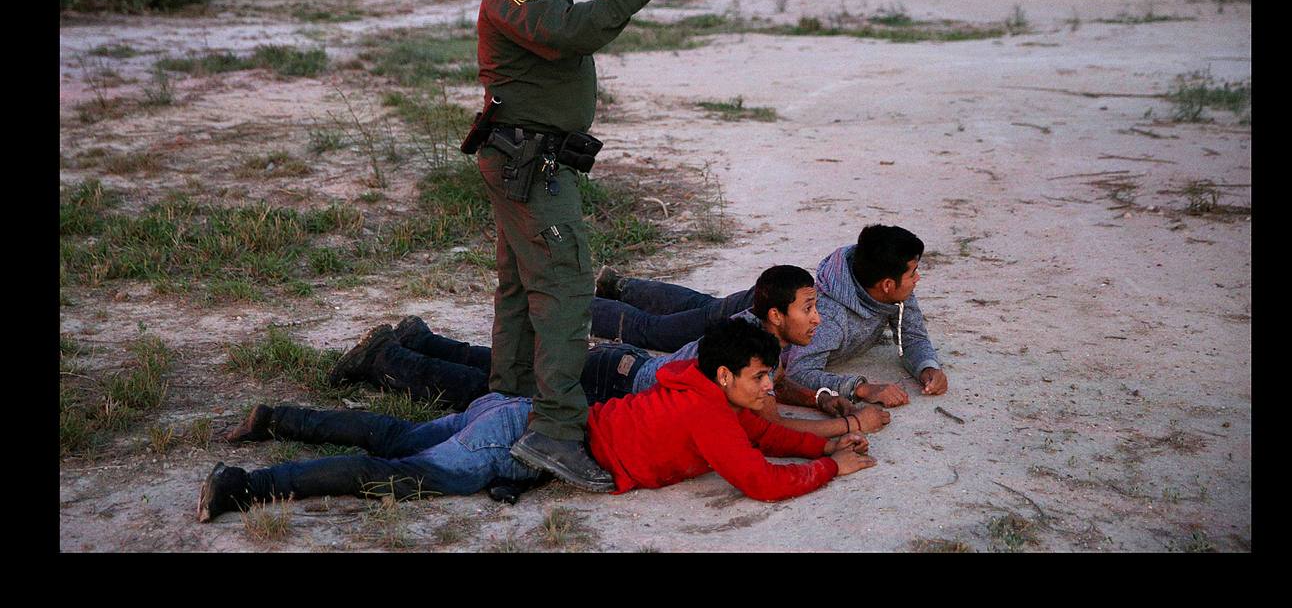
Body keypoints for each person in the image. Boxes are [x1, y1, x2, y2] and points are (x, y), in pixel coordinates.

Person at [196, 320, 876, 521]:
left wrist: (827, 434)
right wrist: (828, 466)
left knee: (396, 437)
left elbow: (763, 434)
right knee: (394, 473)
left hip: (526, 416)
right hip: (522, 444)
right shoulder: (713, 418)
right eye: (762, 377)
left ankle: (273, 417)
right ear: (726, 376)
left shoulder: (695, 384)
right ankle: (243, 489)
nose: (771, 387)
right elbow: (757, 478)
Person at [471, 0, 686, 491]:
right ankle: (557, 433)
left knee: (520, 286)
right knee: (564, 289)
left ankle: (507, 405)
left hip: (532, 160)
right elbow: (571, 33)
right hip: (530, 166)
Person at [327, 266, 891, 440]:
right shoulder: (755, 348)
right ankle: (386, 359)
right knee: (491, 393)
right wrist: (848, 424)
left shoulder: (764, 345)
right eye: (810, 309)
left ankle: (417, 340)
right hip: (619, 383)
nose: (819, 319)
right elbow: (765, 419)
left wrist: (821, 397)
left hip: (623, 369)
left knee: (509, 376)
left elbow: (775, 390)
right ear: (775, 317)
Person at [591, 224, 948, 403]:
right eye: (912, 272)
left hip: (775, 305)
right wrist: (859, 387)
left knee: (698, 306)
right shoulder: (829, 320)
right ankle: (573, 305)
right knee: (655, 331)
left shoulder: (889, 289)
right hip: (757, 316)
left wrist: (926, 366)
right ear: (886, 284)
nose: (917, 278)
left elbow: (911, 334)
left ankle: (619, 287)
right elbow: (801, 370)